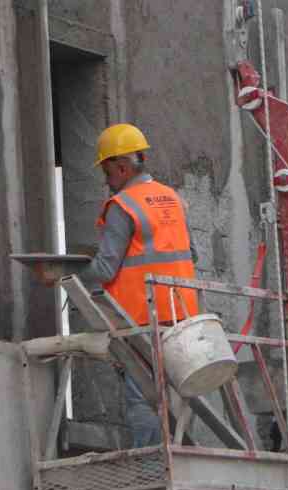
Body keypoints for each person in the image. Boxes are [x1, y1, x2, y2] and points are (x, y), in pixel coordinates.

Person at [40, 123, 198, 448]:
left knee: (143, 398)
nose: (106, 180)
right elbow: (187, 253)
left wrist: (59, 276)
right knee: (177, 395)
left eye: (107, 170)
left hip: (141, 318)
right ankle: (175, 454)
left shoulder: (123, 205)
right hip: (182, 315)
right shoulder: (172, 200)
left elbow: (105, 268)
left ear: (123, 166)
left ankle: (154, 462)